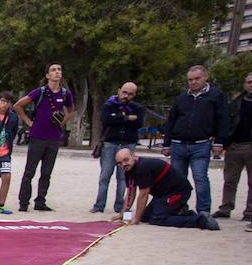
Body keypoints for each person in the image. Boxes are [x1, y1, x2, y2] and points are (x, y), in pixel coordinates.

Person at [162, 65, 228, 216]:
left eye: (197, 79)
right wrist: (166, 143)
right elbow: (171, 121)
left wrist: (219, 141)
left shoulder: (216, 96)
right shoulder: (181, 98)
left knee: (200, 178)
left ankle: (203, 210)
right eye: (190, 80)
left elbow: (222, 119)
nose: (193, 82)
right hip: (178, 144)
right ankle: (178, 206)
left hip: (201, 144)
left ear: (206, 77)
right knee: (177, 179)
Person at [112, 148, 220, 230]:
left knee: (157, 219)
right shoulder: (128, 170)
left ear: (134, 156)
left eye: (126, 160)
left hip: (178, 192)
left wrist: (136, 219)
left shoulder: (143, 167)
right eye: (120, 163)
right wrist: (122, 213)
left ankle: (201, 220)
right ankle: (183, 213)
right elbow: (131, 192)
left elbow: (143, 195)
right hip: (162, 194)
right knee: (145, 216)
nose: (124, 164)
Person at [14, 62, 73, 211]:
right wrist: (29, 122)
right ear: (47, 75)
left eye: (59, 69)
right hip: (37, 136)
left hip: (54, 138)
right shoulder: (39, 92)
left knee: (47, 172)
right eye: (53, 70)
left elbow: (71, 111)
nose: (57, 72)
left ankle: (40, 201)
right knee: (30, 171)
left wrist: (61, 122)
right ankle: (23, 203)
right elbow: (17, 106)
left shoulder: (66, 94)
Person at [215, 71, 252, 222]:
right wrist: (223, 142)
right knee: (229, 180)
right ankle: (225, 208)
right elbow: (227, 122)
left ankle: (250, 211)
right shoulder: (236, 102)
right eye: (249, 82)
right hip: (234, 145)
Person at [93, 82, 145, 214]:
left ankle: (120, 206)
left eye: (130, 94)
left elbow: (139, 123)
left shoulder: (138, 108)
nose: (126, 96)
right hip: (110, 143)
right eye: (124, 92)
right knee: (105, 175)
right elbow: (106, 120)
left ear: (134, 95)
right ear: (119, 90)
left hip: (128, 143)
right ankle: (99, 205)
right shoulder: (109, 105)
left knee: (123, 177)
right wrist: (127, 118)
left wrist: (118, 118)